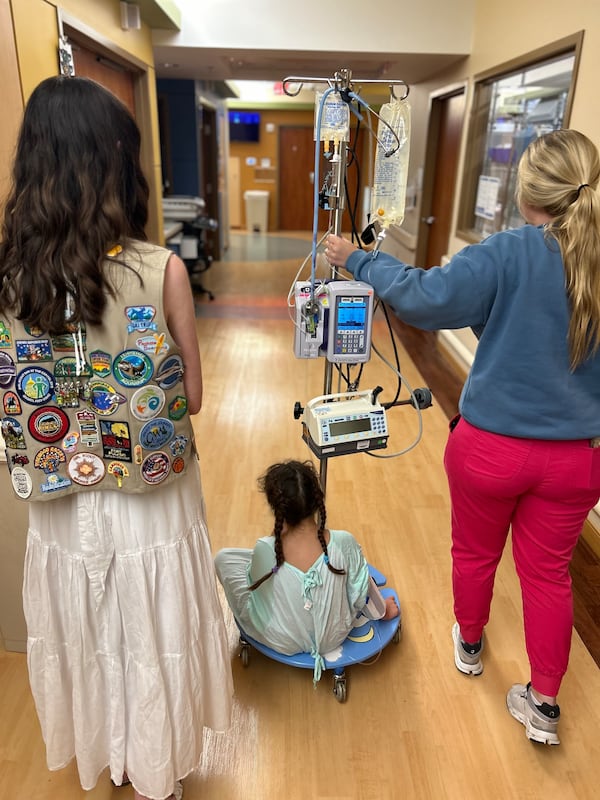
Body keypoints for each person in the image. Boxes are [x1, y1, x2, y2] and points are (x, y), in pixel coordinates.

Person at [324, 128, 600, 746]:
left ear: (527, 193)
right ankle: (544, 705)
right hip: (576, 460)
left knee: (475, 553)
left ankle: (470, 646)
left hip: (491, 449)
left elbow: (427, 298)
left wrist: (359, 258)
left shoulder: (507, 252)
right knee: (550, 577)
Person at [0, 75, 233, 799]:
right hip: (148, 492)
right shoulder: (159, 268)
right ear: (114, 166)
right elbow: (189, 395)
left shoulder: (10, 276)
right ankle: (156, 761)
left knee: (85, 628)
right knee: (150, 623)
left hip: (60, 496)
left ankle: (105, 756)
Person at [214, 459, 399, 683]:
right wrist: (382, 610)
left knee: (224, 558)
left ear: (276, 507)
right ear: (317, 501)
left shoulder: (266, 548)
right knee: (351, 572)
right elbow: (360, 594)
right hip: (333, 638)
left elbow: (259, 593)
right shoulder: (344, 542)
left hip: (279, 638)